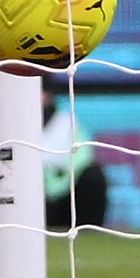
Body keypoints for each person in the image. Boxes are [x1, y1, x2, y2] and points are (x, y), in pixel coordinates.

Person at [42, 84, 109, 231]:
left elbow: (83, 159)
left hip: (65, 194)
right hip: (32, 197)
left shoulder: (67, 123)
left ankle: (90, 231)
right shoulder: (15, 126)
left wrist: (57, 184)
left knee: (94, 176)